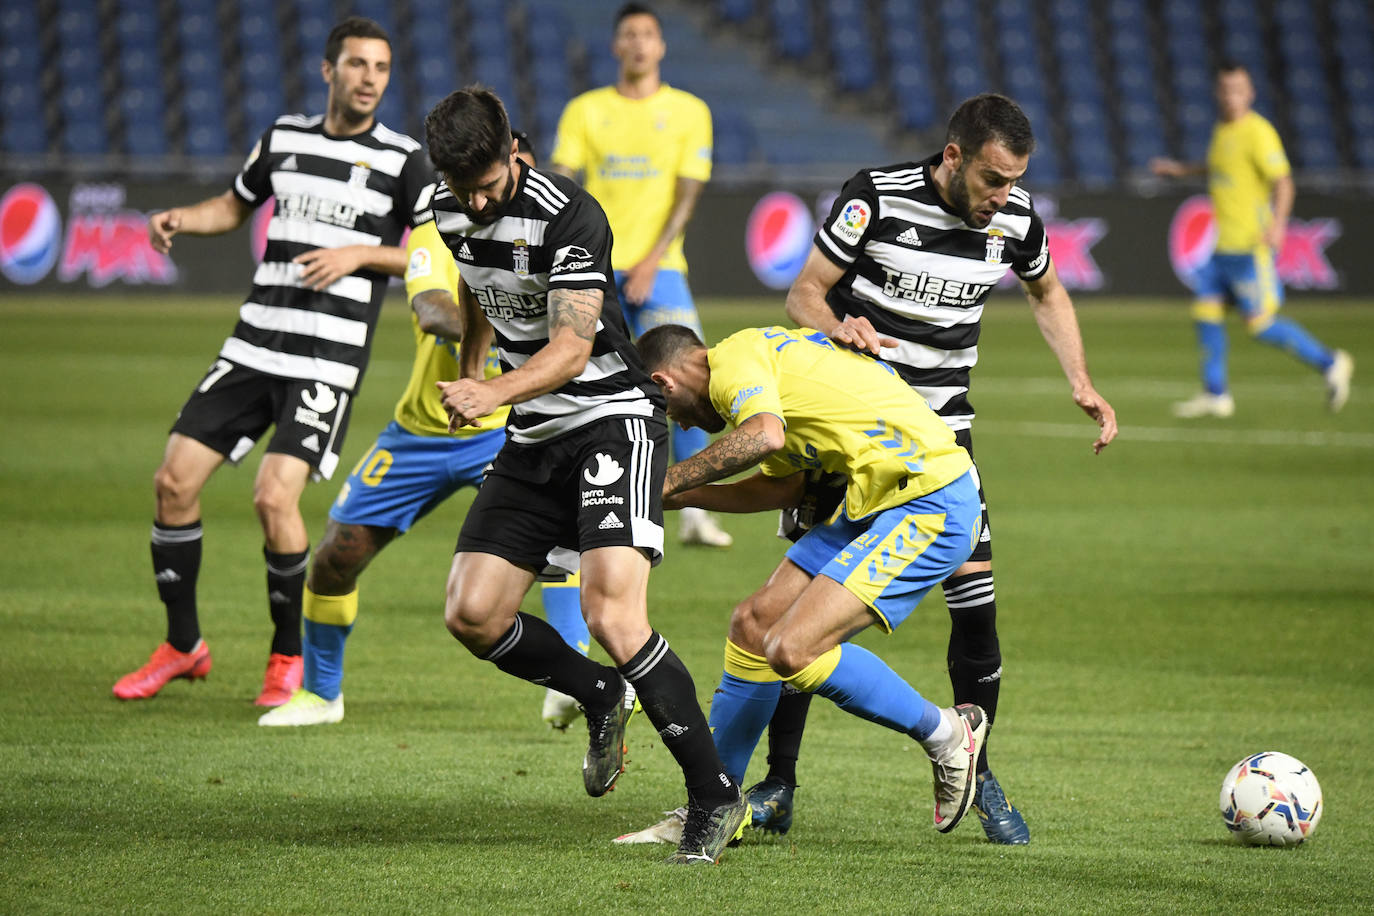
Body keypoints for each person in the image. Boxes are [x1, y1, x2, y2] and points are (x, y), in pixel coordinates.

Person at [617, 93, 1117, 849]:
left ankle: (971, 764)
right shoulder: (875, 198)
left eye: (1013, 181)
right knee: (766, 621)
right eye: (991, 178)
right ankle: (756, 789)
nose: (1002, 195)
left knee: (961, 610)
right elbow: (805, 294)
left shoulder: (1015, 220)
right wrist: (836, 326)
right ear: (953, 156)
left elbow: (1047, 288)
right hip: (839, 437)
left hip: (931, 450)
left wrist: (1079, 377)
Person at [423, 86, 747, 865]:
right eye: (461, 187)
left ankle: (715, 798)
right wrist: (473, 364)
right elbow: (476, 285)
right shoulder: (448, 206)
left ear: (513, 150)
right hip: (535, 434)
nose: (476, 200)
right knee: (472, 613)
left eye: (488, 182)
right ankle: (599, 693)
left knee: (613, 614)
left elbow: (571, 350)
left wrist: (488, 391)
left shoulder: (569, 213)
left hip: (613, 420)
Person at [114, 17, 433, 706]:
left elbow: (434, 250)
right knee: (173, 482)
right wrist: (180, 218)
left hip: (326, 357)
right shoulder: (284, 138)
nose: (369, 78)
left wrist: (361, 254)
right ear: (329, 71)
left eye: (380, 67)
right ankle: (182, 645)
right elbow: (234, 206)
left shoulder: (404, 159)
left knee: (272, 496)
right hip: (255, 342)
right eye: (356, 64)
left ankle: (287, 657)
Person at [259, 133, 591, 729]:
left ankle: (572, 676)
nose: (505, 199)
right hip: (423, 429)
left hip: (507, 428)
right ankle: (321, 694)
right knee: (335, 556)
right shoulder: (441, 229)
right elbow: (432, 310)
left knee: (555, 550)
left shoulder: (559, 239)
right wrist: (508, 309)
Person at [632, 322, 992, 837]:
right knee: (754, 624)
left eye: (671, 410)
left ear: (665, 383)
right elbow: (782, 488)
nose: (683, 422)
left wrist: (666, 478)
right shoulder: (765, 372)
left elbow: (763, 437)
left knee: (790, 649)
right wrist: (680, 497)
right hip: (872, 500)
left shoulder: (735, 362)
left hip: (928, 498)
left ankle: (950, 733)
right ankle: (716, 804)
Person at [550, 2, 731, 548]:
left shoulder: (688, 111)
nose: (638, 43)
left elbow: (687, 191)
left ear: (661, 46)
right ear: (615, 46)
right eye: (628, 34)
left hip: (662, 268)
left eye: (647, 34)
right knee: (582, 377)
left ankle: (693, 510)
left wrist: (652, 260)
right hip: (595, 268)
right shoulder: (585, 110)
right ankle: (575, 493)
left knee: (694, 380)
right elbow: (563, 181)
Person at [1151, 62, 1353, 418]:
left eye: (1238, 90)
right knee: (1205, 312)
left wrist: (1277, 225)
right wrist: (1180, 170)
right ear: (1218, 93)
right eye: (1225, 89)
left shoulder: (1259, 132)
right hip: (1221, 249)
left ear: (1250, 93)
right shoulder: (1223, 130)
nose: (1231, 97)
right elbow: (1218, 166)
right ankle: (1216, 394)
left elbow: (1284, 181)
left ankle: (1331, 361)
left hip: (1249, 247)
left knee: (1259, 324)